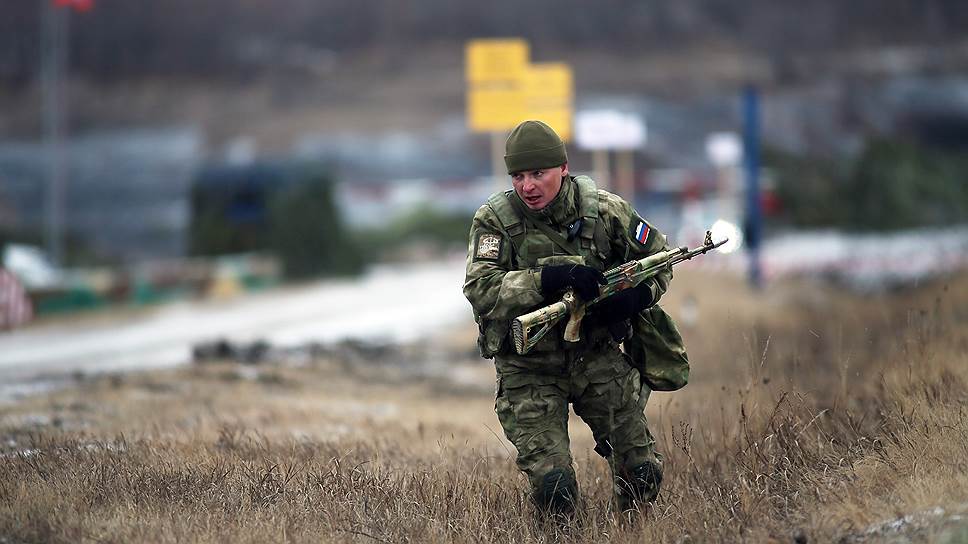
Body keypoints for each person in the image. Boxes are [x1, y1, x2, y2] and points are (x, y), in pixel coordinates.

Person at [463, 120, 674, 517]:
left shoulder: (606, 212)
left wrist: (635, 299)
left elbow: (660, 262)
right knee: (554, 488)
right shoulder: (495, 220)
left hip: (598, 358)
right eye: (518, 176)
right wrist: (546, 279)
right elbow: (481, 289)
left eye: (538, 173)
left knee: (642, 473)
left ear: (562, 168)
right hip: (530, 368)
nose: (527, 186)